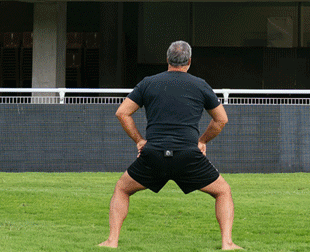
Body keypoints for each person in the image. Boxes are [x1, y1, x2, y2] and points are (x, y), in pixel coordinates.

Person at [99, 41, 239, 250]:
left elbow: (122, 112)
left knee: (122, 189)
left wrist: (139, 140)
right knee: (223, 192)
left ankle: (112, 241)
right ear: (189, 61)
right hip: (188, 155)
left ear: (167, 60)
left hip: (153, 154)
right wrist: (202, 141)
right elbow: (221, 119)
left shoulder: (148, 83)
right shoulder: (200, 84)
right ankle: (227, 243)